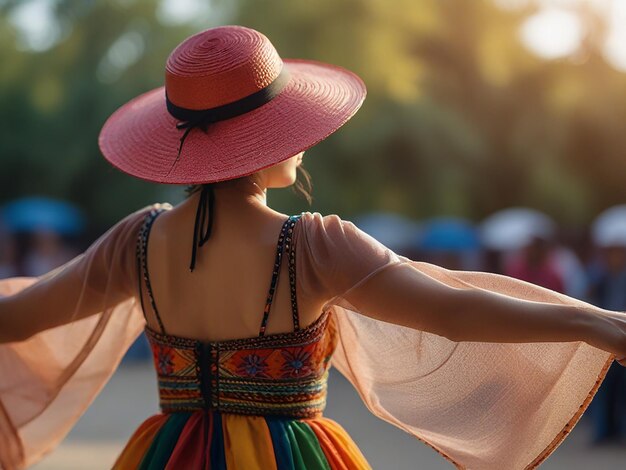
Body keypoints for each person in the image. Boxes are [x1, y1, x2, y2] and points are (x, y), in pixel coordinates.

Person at [1, 25, 626, 470]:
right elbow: (451, 312)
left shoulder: (135, 241)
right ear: (267, 141)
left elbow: (13, 320)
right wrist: (591, 322)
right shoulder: (313, 246)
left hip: (166, 454)